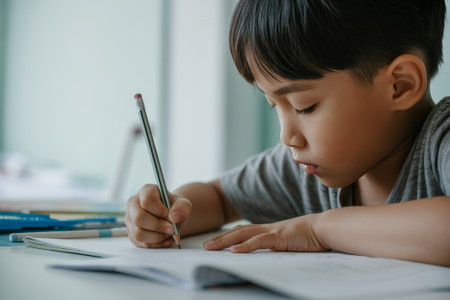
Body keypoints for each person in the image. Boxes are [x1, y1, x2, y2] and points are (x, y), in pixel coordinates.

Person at [125, 0, 450, 266]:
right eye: (273, 106)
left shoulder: (442, 138)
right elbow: (220, 198)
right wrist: (169, 213)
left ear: (400, 85)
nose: (287, 136)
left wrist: (318, 230)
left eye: (304, 107)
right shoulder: (310, 167)